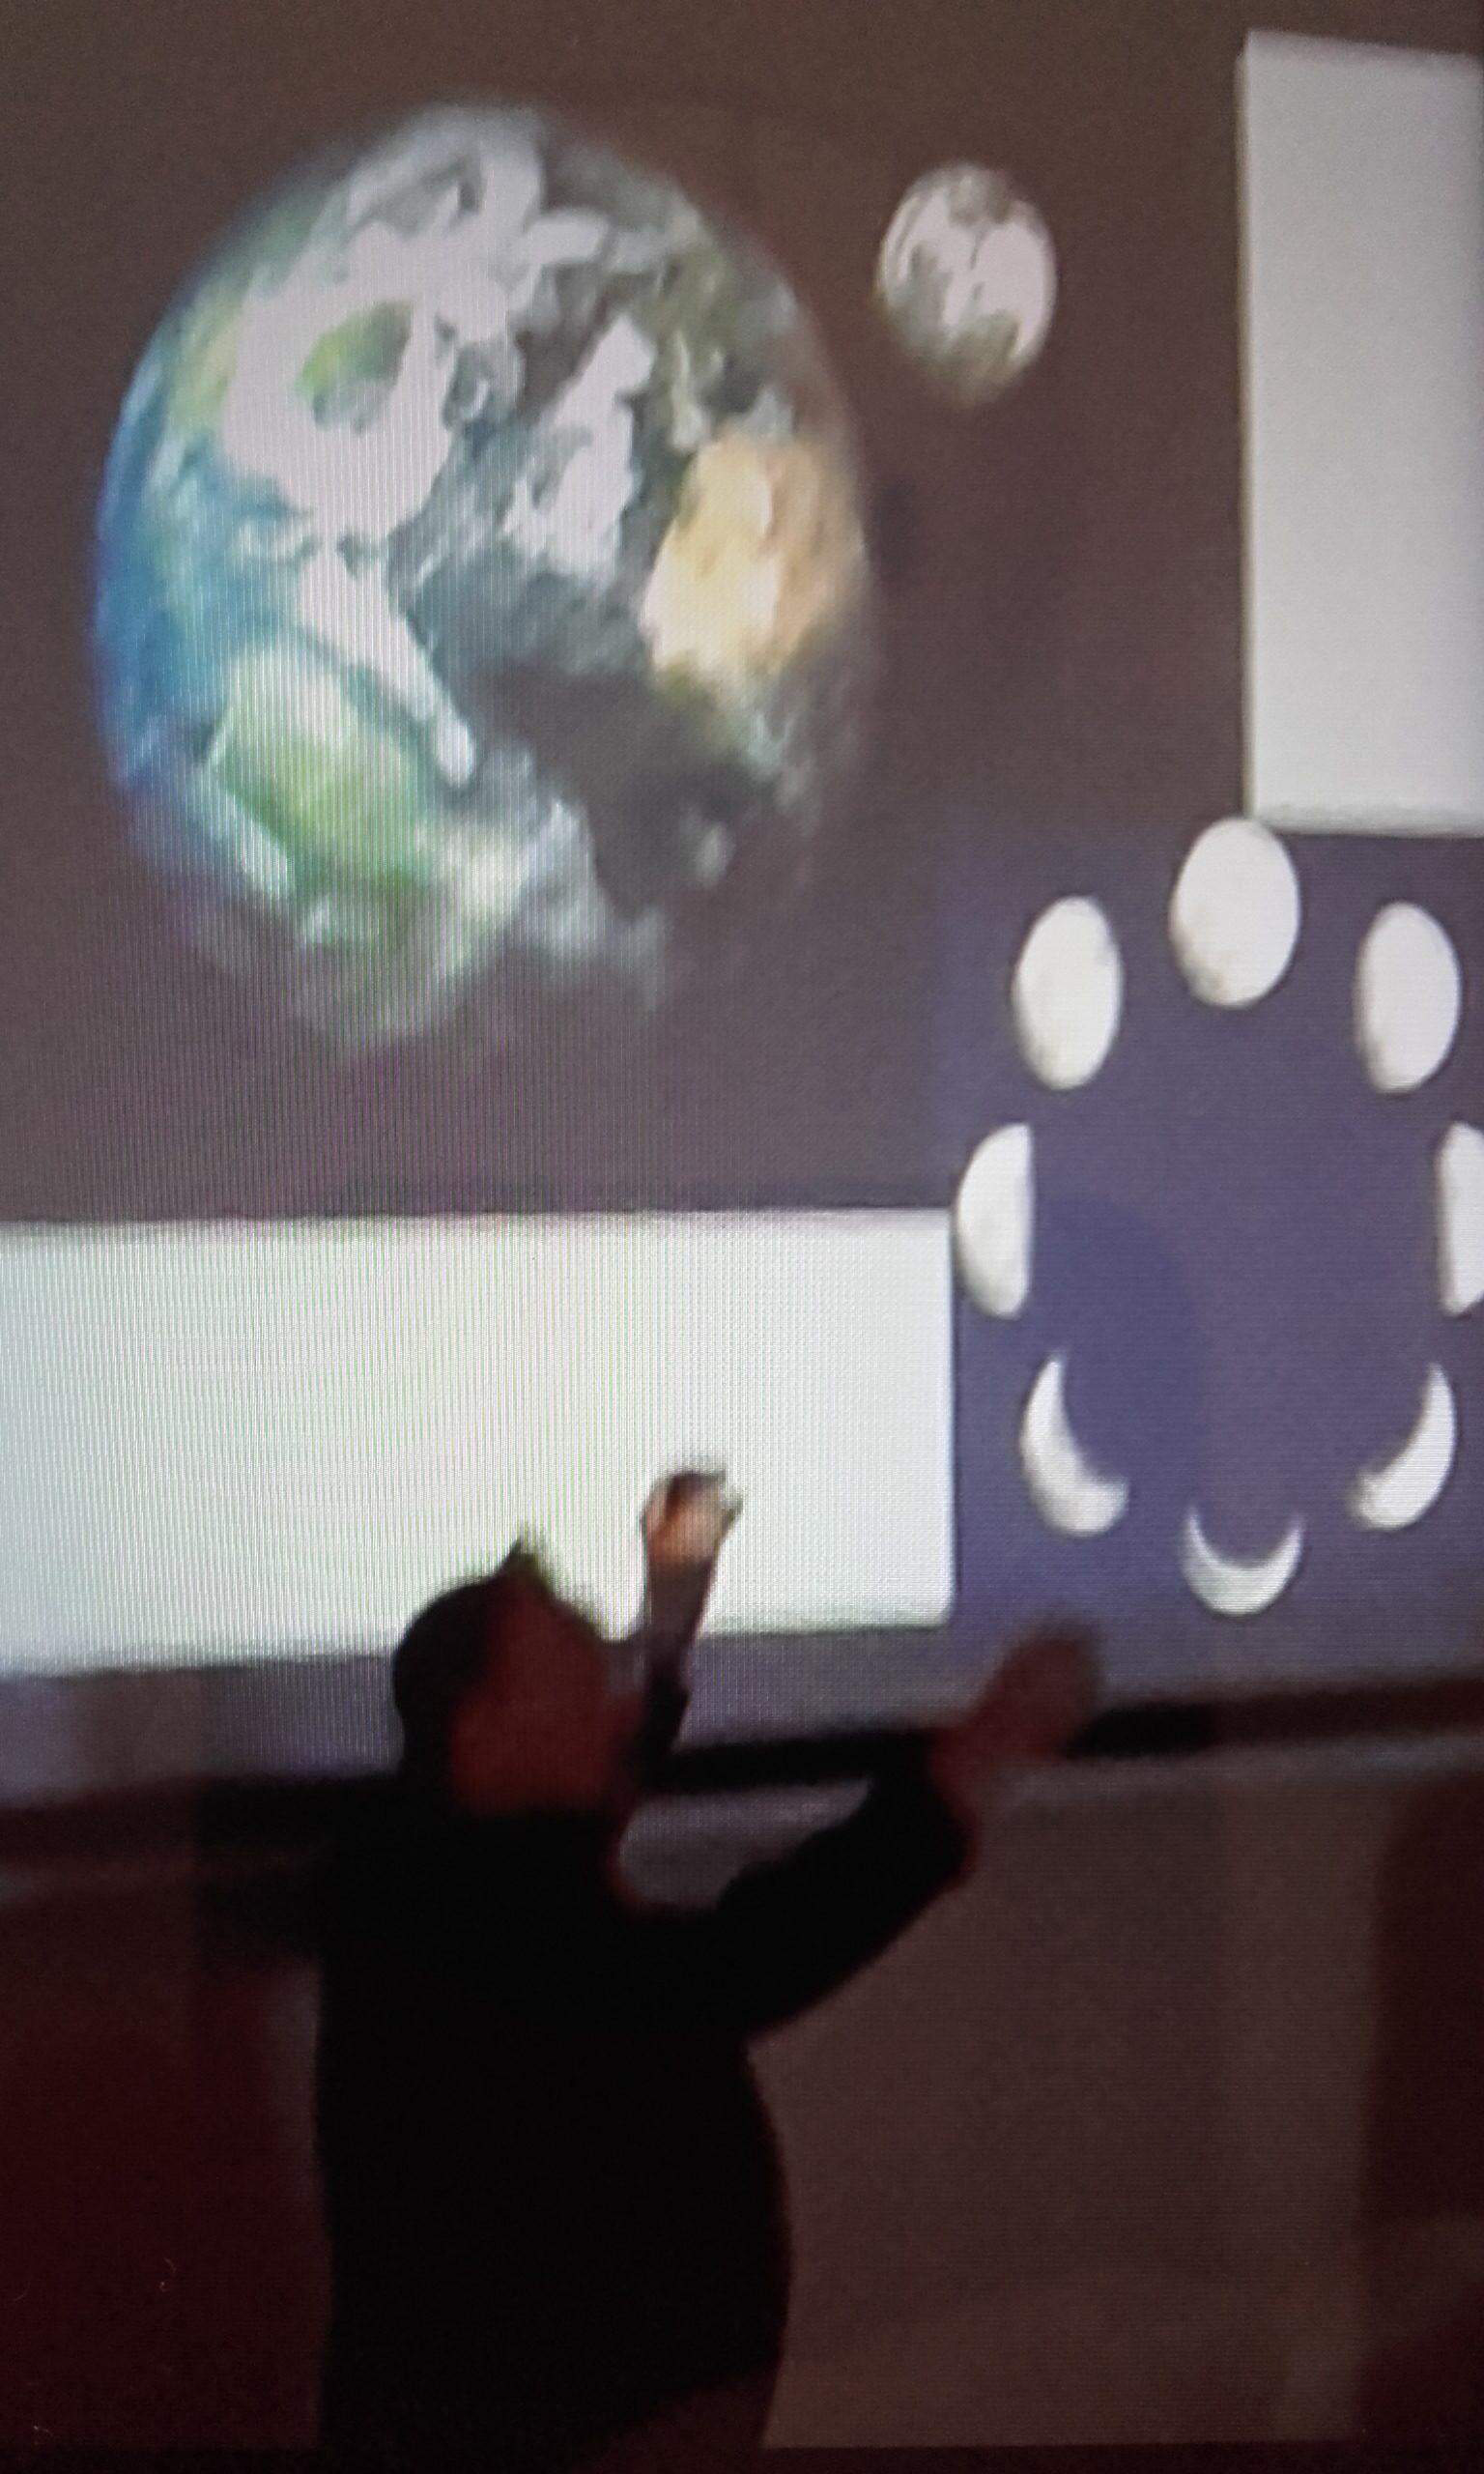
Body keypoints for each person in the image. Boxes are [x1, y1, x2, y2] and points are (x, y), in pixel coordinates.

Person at [315, 1482, 1097, 2472]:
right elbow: (737, 1963)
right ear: (480, 1731)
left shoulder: (441, 1871)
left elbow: (591, 1789)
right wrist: (968, 1767)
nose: (616, 1706)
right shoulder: (455, 1923)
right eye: (582, 1680)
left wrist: (670, 1619)